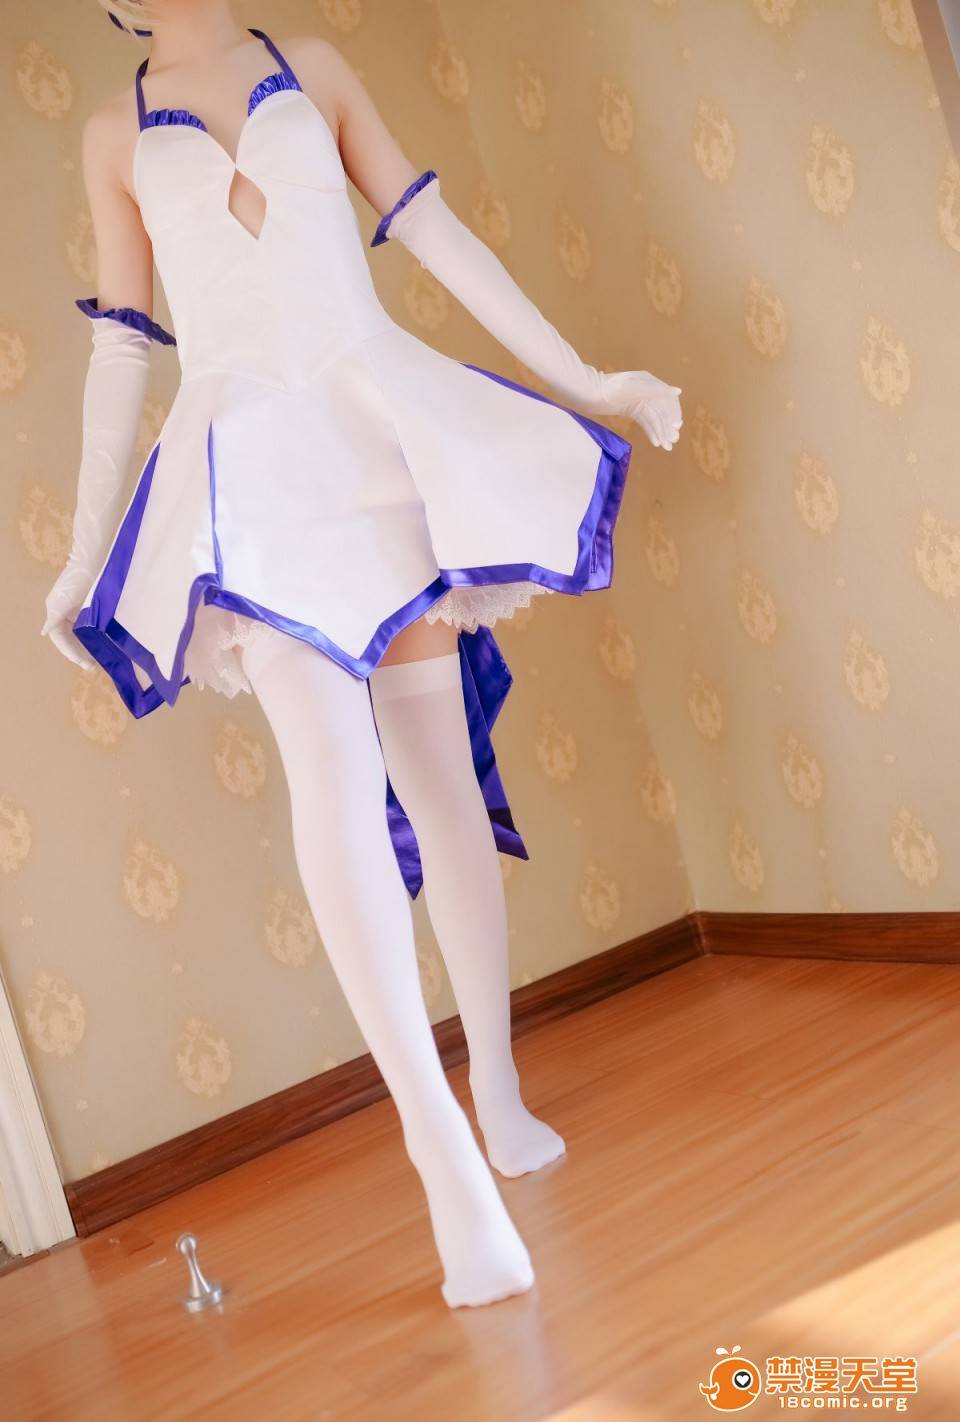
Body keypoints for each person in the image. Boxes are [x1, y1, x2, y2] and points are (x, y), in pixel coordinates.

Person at [41, 0, 683, 1308]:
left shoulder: (315, 68)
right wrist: (81, 547)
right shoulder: (114, 132)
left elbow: (432, 231)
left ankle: (495, 1087)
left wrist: (587, 377)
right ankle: (436, 1143)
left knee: (439, 774)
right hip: (249, 475)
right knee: (330, 780)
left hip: (375, 435)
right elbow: (122, 345)